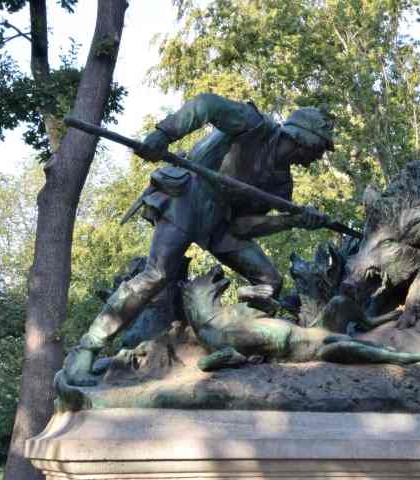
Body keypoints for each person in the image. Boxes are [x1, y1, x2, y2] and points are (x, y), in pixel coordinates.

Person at [64, 93, 335, 386]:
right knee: (156, 274)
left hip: (220, 223)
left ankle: (232, 341)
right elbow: (207, 105)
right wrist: (163, 134)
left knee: (269, 280)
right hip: (190, 197)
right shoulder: (254, 125)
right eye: (319, 149)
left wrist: (291, 220)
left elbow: (243, 227)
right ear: (304, 140)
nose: (316, 159)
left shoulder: (281, 184)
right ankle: (86, 349)